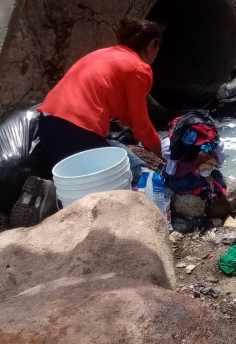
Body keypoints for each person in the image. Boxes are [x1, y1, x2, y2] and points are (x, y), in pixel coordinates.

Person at [11, 17, 163, 227]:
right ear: (152, 45)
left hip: (47, 124)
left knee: (105, 159)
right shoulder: (139, 68)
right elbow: (141, 125)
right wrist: (163, 154)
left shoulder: (105, 54)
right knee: (134, 174)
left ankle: (49, 192)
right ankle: (53, 204)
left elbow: (128, 116)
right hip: (77, 132)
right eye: (158, 48)